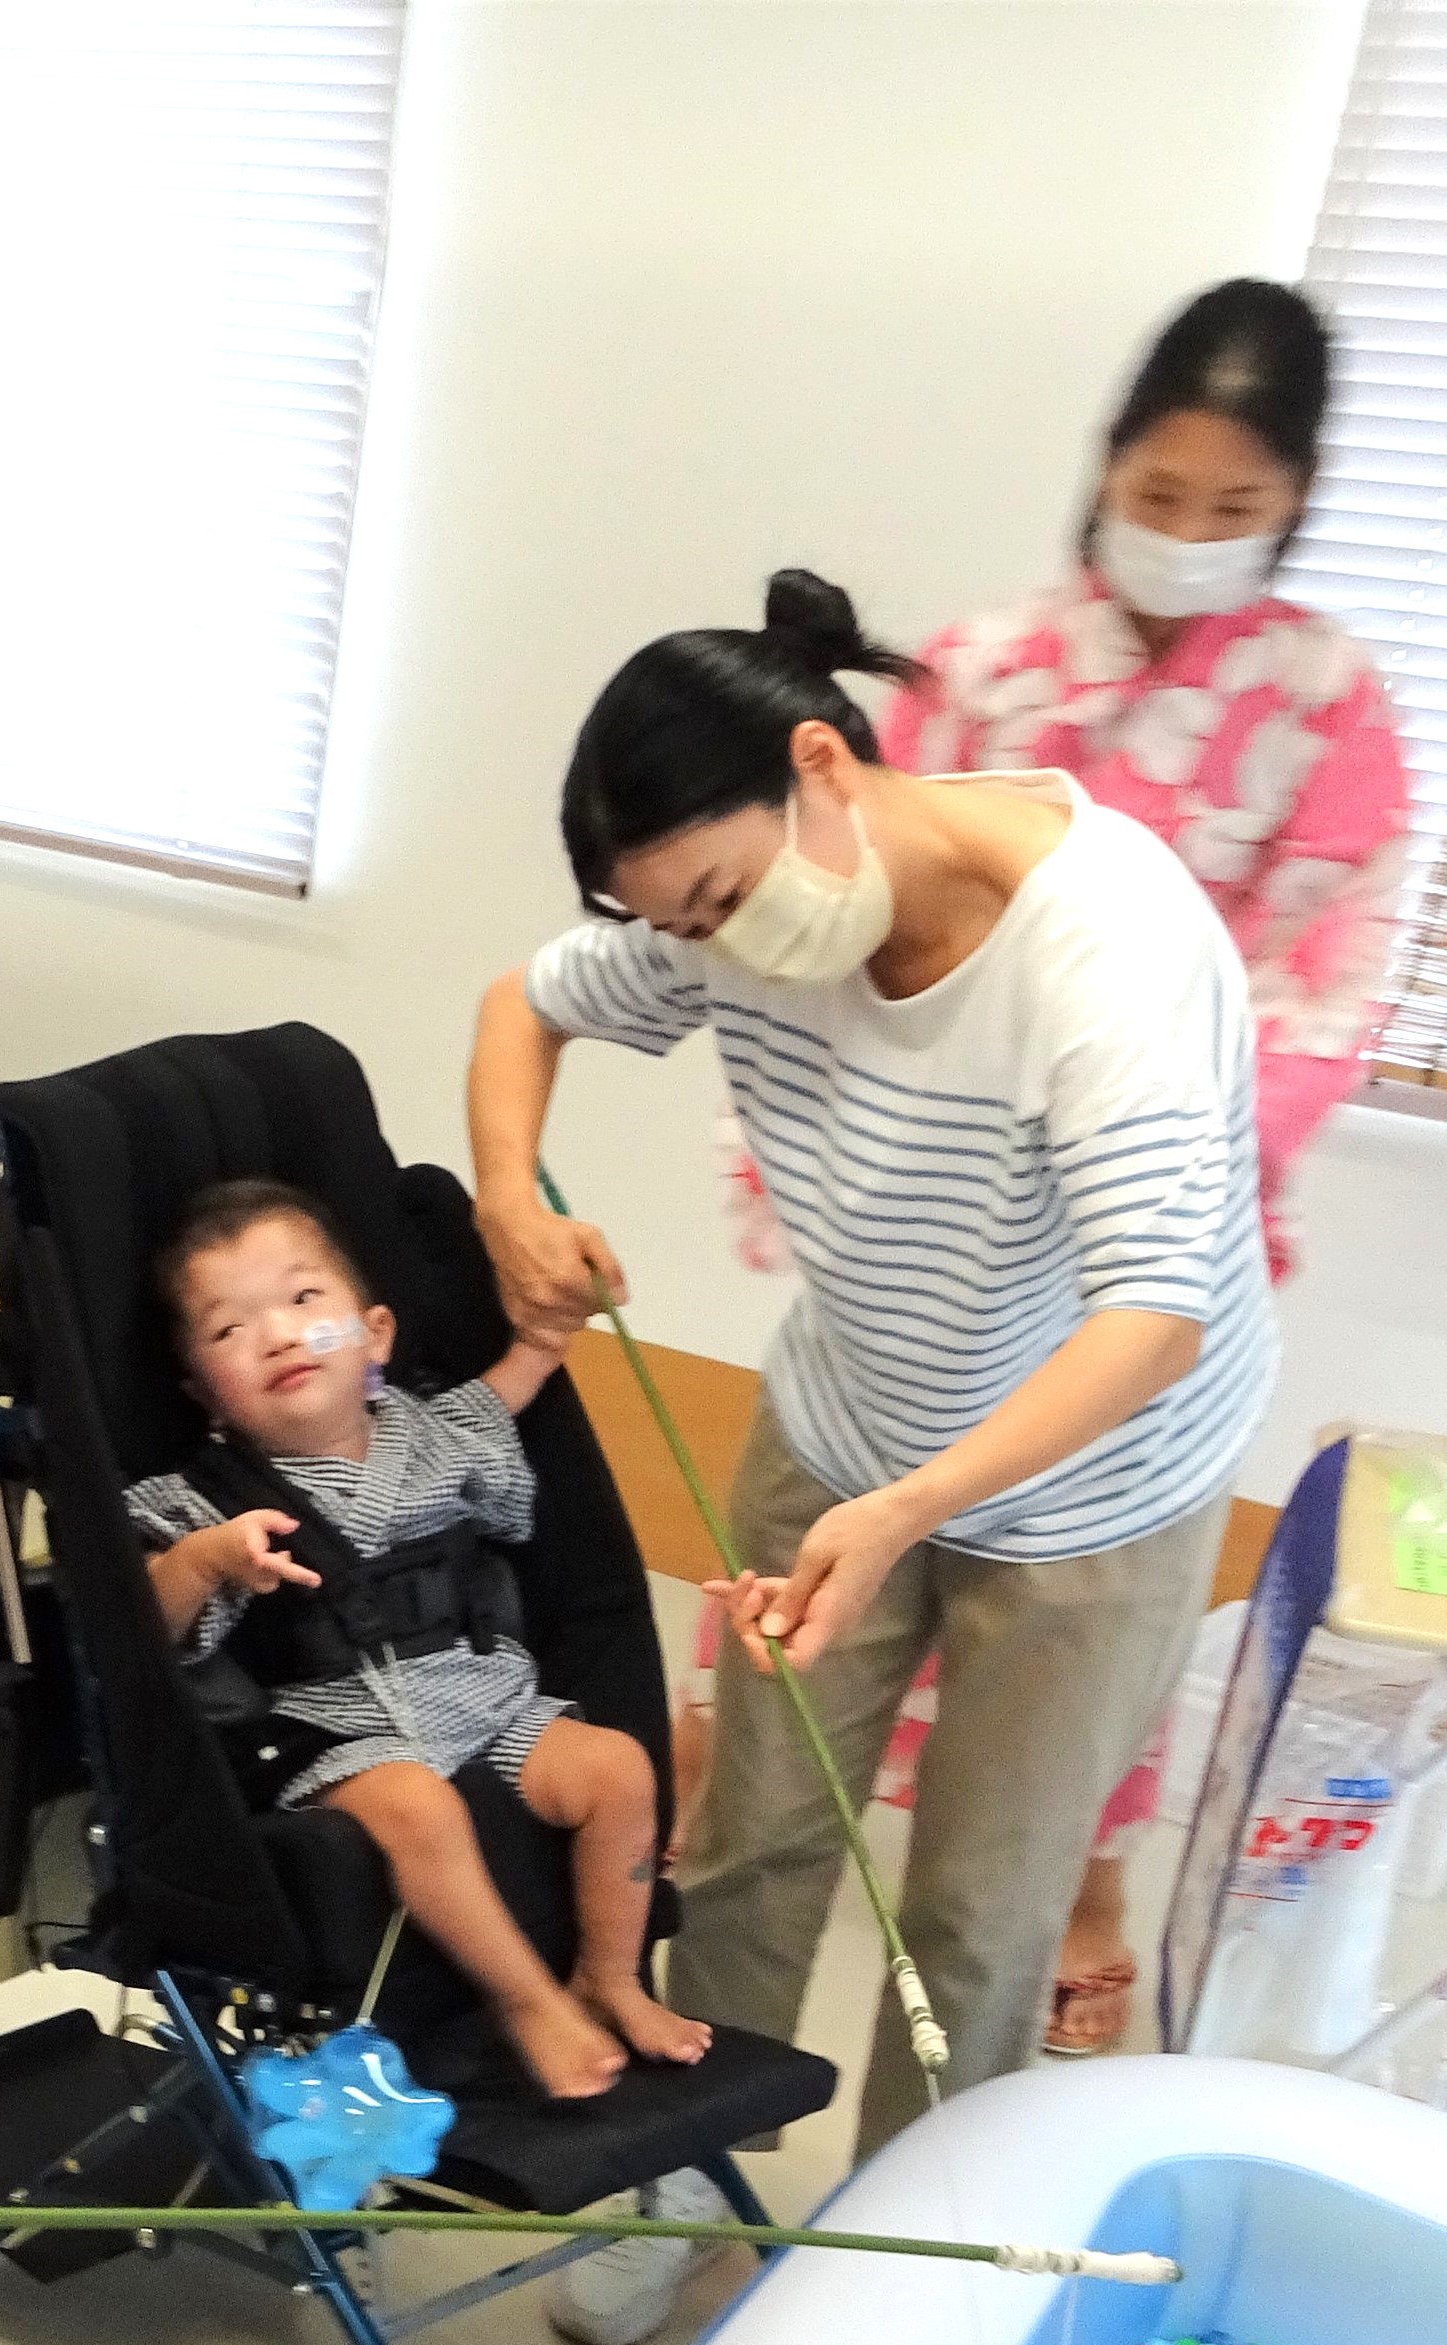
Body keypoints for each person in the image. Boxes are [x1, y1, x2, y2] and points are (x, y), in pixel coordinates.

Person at [471, 569, 1270, 2165]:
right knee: (759, 1837)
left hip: (1094, 1492)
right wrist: (508, 1199)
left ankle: (902, 2235)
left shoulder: (1105, 952)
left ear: (825, 768)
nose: (713, 950)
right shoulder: (729, 923)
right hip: (844, 1426)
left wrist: (920, 1507)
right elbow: (524, 1002)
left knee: (980, 1904)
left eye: (716, 898)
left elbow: (1154, 1315)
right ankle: (697, 2167)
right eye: (678, 925)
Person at [870, 280, 1407, 2050]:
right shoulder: (983, 666)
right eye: (1162, 496)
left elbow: (1327, 970)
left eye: (1234, 510)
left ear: (1296, 502)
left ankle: (1072, 1888)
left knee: (1085, 1609)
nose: (1187, 536)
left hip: (1153, 1225)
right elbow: (866, 897)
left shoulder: (1328, 702)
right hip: (946, 1201)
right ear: (1109, 469)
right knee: (865, 1554)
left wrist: (1153, 1144)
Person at [121, 1178, 696, 2100]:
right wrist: (206, 1560)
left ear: (375, 1334)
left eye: (307, 1300)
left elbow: (512, 1385)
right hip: (335, 1728)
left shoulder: (441, 1432)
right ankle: (527, 2000)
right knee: (419, 1806)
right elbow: (135, 1628)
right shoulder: (202, 1499)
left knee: (620, 1767)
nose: (280, 1334)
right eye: (231, 1329)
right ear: (204, 1391)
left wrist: (548, 1336)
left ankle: (612, 1977)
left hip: (480, 1696)